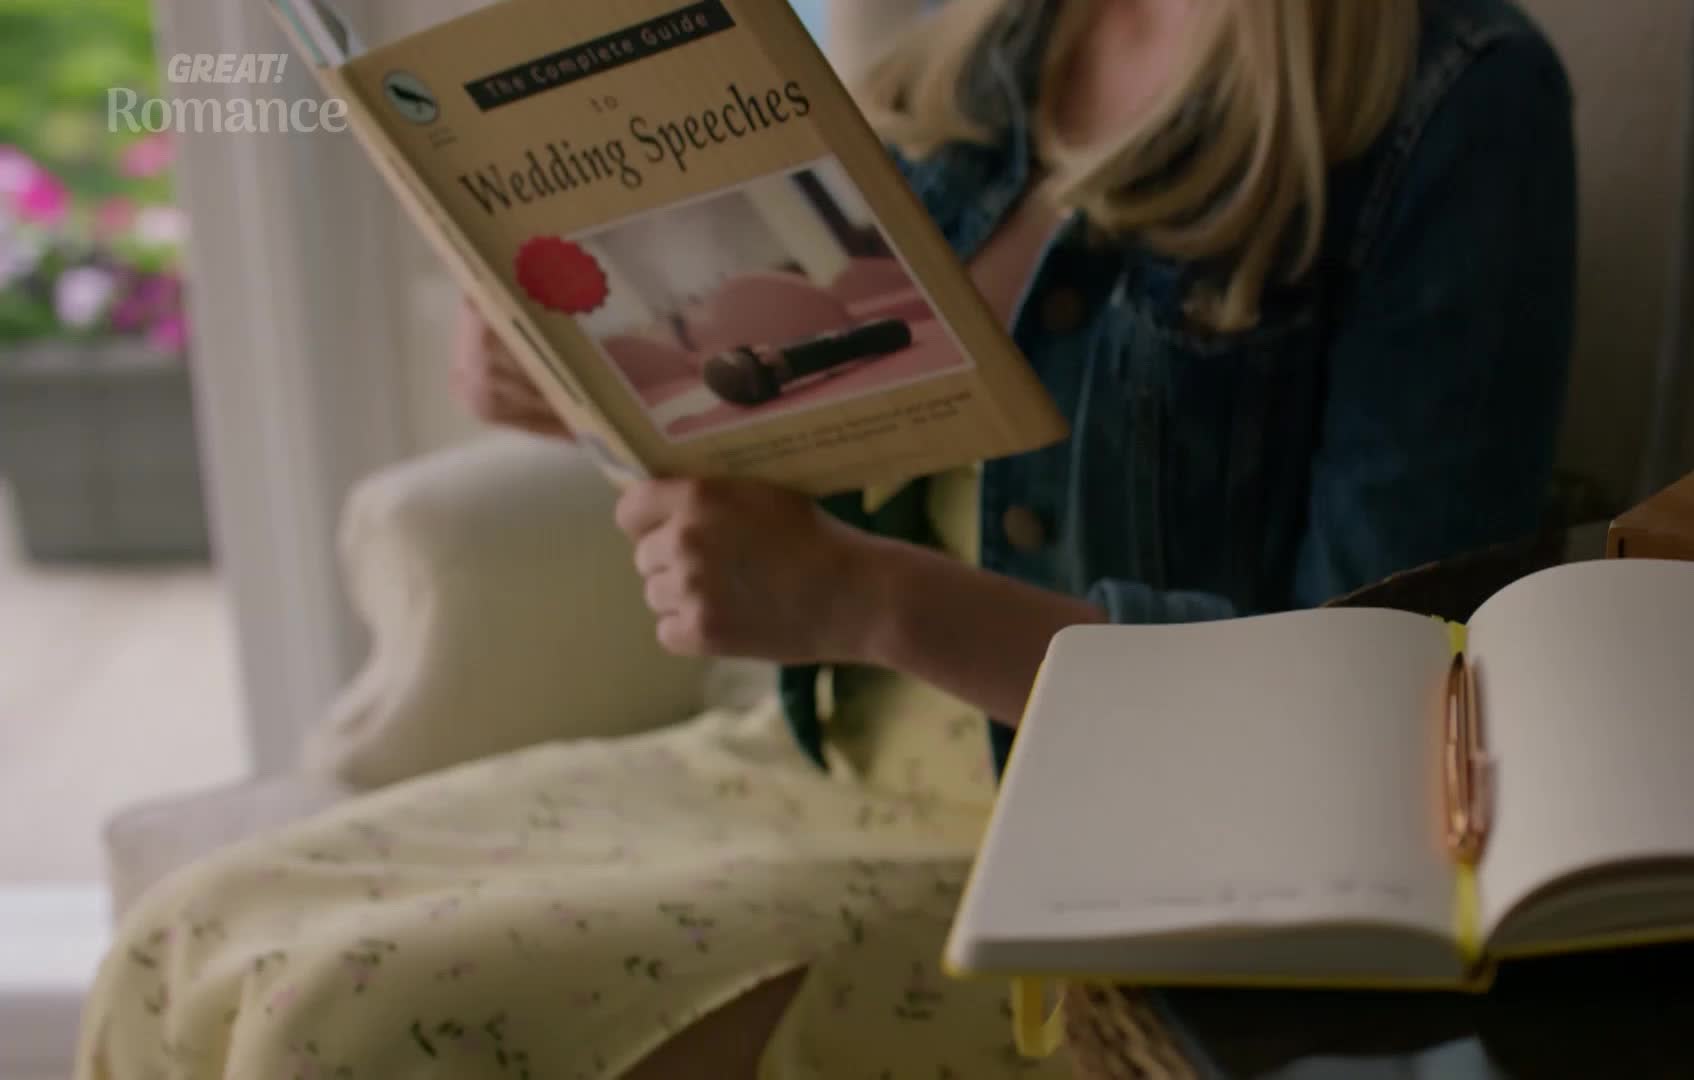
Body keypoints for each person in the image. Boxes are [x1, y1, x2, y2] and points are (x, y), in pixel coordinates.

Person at [77, 0, 1576, 1076]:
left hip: (1077, 858)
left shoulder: (1454, 99)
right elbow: (830, 439)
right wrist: (584, 386)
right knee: (184, 936)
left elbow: (1381, 701)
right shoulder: (996, 51)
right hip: (808, 754)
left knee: (334, 1024)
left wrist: (862, 600)